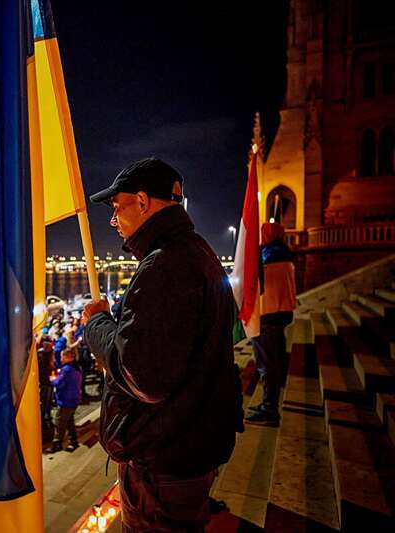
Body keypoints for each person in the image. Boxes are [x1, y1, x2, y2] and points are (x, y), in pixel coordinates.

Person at [82, 158, 242, 532]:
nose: (112, 219)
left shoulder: (164, 266)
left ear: (142, 201)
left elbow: (142, 375)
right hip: (190, 446)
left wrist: (96, 324)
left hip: (163, 464)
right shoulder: (197, 253)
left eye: (116, 207)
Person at [244, 222, 297, 427]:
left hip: (268, 316)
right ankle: (269, 405)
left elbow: (257, 285)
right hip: (280, 314)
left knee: (267, 366)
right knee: (273, 364)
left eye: (262, 233)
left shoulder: (268, 256)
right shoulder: (284, 253)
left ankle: (269, 409)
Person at [49, 349, 82, 452]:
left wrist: (52, 380)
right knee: (69, 421)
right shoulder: (77, 368)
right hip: (74, 398)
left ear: (68, 357)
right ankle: (73, 441)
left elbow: (59, 383)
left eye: (62, 356)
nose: (61, 359)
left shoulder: (67, 370)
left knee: (59, 422)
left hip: (66, 400)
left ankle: (57, 443)